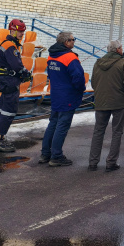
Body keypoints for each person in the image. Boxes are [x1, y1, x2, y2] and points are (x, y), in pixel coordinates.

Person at [40, 31, 86, 167]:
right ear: (66, 42)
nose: (74, 41)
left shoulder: (51, 56)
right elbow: (78, 77)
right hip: (67, 96)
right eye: (73, 39)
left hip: (55, 94)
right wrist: (81, 89)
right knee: (62, 126)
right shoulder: (70, 57)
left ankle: (45, 153)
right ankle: (56, 155)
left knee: (53, 123)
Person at [88, 40, 124, 172]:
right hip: (118, 101)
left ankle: (93, 162)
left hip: (101, 101)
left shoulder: (98, 62)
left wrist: (100, 93)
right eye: (121, 48)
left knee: (98, 131)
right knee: (117, 132)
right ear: (118, 49)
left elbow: (94, 82)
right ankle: (111, 162)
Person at [0, 19, 32, 152]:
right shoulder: (10, 45)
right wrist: (26, 73)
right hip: (10, 81)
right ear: (13, 30)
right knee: (9, 110)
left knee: (2, 109)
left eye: (23, 31)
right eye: (20, 31)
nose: (22, 33)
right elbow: (16, 65)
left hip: (6, 80)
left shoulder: (9, 44)